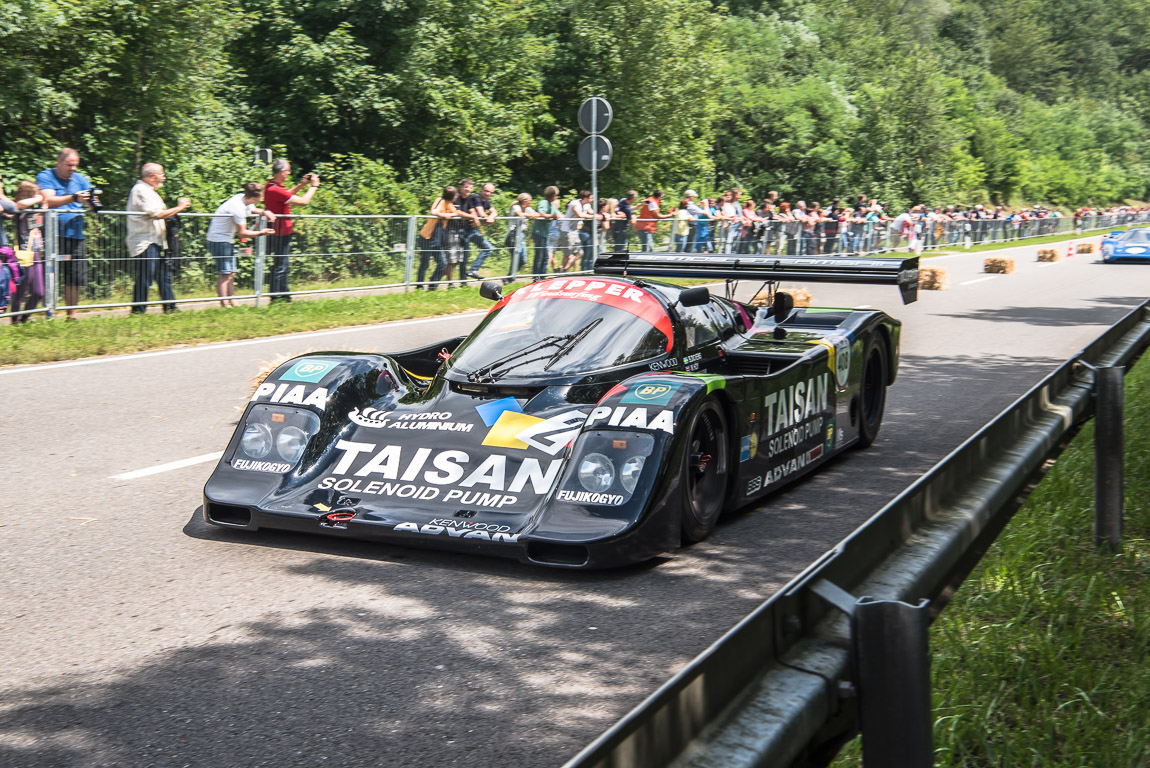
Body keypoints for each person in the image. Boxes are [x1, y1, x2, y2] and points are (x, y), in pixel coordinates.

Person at [37, 148, 94, 319]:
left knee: (74, 275)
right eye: (69, 165)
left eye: (75, 165)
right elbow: (48, 200)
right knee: (51, 272)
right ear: (59, 161)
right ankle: (49, 313)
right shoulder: (46, 176)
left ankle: (72, 315)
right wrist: (74, 198)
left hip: (75, 234)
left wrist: (93, 202)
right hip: (52, 234)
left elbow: (93, 201)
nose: (73, 169)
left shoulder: (80, 179)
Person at [126, 163, 190, 314]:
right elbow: (157, 214)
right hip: (145, 241)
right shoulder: (141, 190)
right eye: (162, 174)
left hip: (156, 240)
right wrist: (179, 207)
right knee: (145, 277)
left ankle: (170, 308)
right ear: (151, 176)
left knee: (164, 276)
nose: (164, 177)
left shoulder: (150, 191)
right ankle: (138, 311)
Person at [206, 183, 276, 306]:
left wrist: (265, 212)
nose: (262, 199)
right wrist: (261, 233)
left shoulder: (242, 198)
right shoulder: (237, 208)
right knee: (225, 273)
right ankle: (224, 304)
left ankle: (233, 302)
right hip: (219, 240)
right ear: (255, 198)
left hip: (226, 239)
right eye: (261, 197)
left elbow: (253, 210)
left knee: (231, 273)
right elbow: (242, 233)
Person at [263, 159, 319, 302]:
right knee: (281, 265)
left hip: (278, 231)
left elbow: (286, 195)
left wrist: (302, 184)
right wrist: (314, 186)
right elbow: (303, 202)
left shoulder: (271, 185)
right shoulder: (275, 189)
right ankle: (276, 298)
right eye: (288, 171)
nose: (289, 173)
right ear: (282, 173)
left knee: (282, 264)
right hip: (280, 231)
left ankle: (284, 296)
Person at [7, 181, 46, 322]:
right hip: (24, 255)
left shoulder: (33, 209)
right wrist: (39, 198)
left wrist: (42, 204)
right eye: (35, 193)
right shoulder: (18, 210)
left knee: (39, 292)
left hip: (36, 253)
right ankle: (15, 321)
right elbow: (20, 205)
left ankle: (24, 319)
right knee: (21, 292)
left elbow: (37, 222)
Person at [416, 186, 467, 289]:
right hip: (427, 237)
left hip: (437, 239)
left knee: (442, 263)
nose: (457, 196)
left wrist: (451, 214)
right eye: (456, 194)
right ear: (451, 195)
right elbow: (433, 212)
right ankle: (419, 285)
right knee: (425, 263)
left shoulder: (450, 204)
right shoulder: (439, 200)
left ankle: (432, 286)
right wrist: (444, 215)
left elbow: (456, 212)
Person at [463, 182, 497, 279]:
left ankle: (473, 270)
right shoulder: (476, 197)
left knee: (488, 248)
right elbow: (481, 213)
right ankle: (461, 281)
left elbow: (494, 212)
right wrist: (488, 217)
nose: (488, 194)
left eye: (490, 192)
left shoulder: (486, 201)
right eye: (486, 191)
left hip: (473, 230)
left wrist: (491, 217)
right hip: (463, 230)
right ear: (481, 190)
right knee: (464, 256)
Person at [559, 190, 592, 272]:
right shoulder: (575, 204)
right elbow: (580, 214)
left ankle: (564, 270)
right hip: (566, 231)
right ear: (585, 198)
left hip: (574, 231)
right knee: (567, 254)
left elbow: (592, 212)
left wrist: (601, 215)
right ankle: (561, 271)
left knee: (580, 253)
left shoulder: (587, 205)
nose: (592, 200)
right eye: (591, 198)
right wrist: (595, 216)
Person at [532, 186, 561, 275]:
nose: (557, 197)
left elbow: (557, 213)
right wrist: (552, 216)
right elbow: (541, 213)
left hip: (545, 233)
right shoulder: (543, 202)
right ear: (551, 195)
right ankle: (536, 277)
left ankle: (543, 275)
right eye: (556, 195)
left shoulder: (552, 204)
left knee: (545, 256)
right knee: (539, 256)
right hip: (538, 232)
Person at [507, 193, 539, 273]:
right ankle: (510, 278)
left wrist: (534, 214)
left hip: (522, 235)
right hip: (512, 235)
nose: (531, 202)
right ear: (524, 201)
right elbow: (520, 214)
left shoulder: (528, 209)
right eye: (530, 200)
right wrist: (530, 215)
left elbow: (536, 214)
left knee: (523, 259)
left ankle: (510, 276)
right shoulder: (516, 207)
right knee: (516, 257)